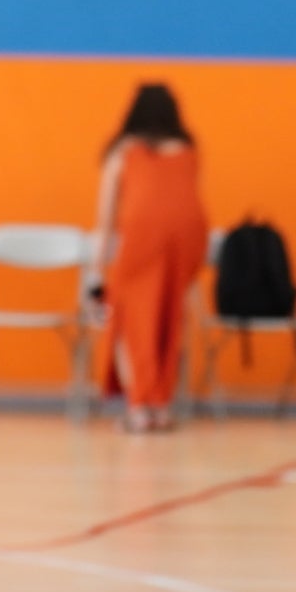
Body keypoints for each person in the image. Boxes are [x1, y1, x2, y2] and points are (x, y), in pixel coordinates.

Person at [88, 81, 209, 433]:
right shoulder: (187, 149)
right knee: (168, 318)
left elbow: (107, 217)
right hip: (188, 237)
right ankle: (161, 406)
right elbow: (185, 200)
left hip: (143, 236)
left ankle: (139, 406)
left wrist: (98, 269)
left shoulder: (124, 151)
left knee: (127, 319)